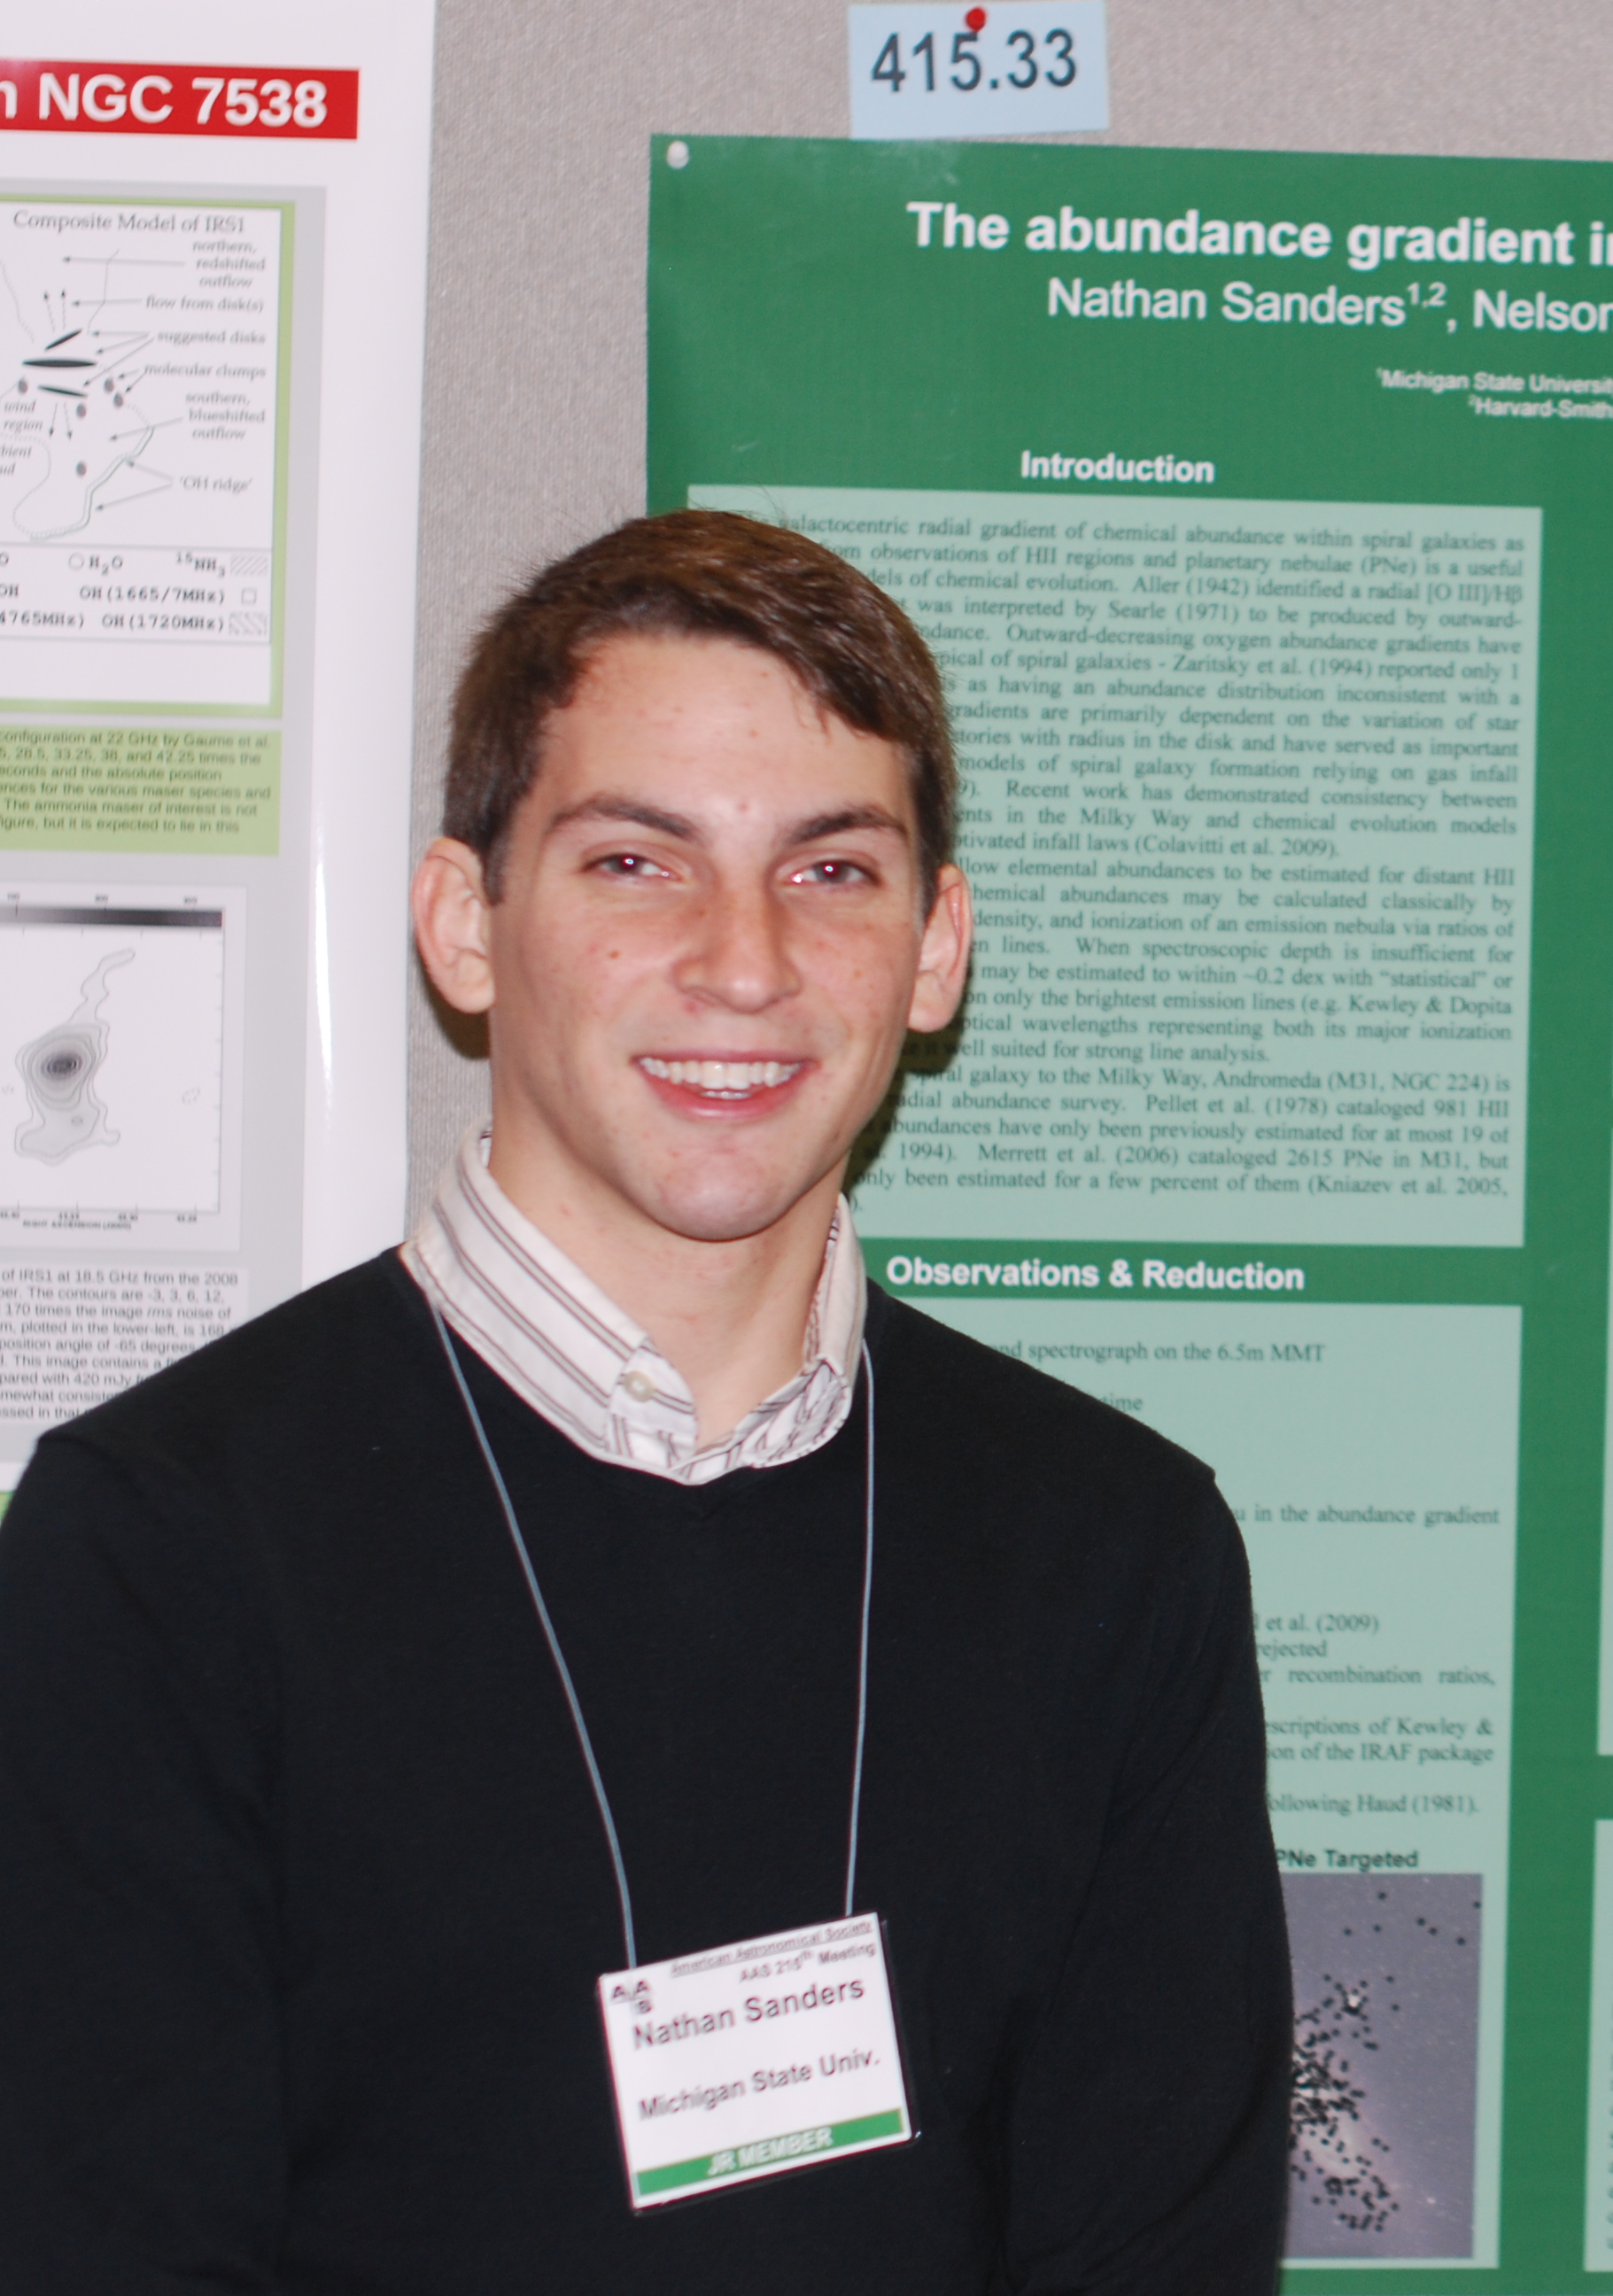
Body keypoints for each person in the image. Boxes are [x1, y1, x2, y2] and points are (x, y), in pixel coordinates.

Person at [0, 511, 1291, 2290]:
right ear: (466, 923)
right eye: (635, 861)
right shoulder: (162, 1543)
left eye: (830, 870)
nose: (743, 961)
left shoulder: (1117, 1548)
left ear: (935, 950)